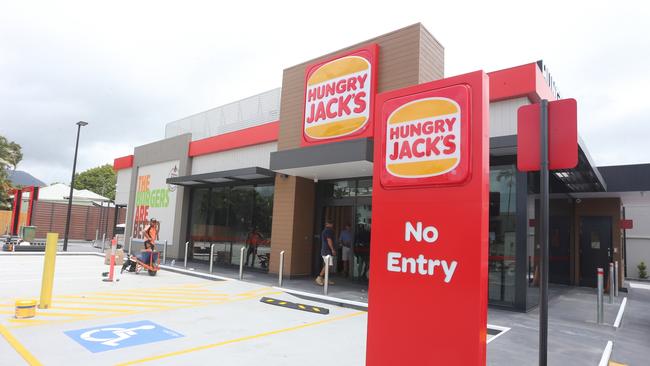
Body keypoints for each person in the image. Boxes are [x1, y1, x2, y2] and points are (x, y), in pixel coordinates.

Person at [315, 221, 336, 286]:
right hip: (327, 251)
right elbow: (329, 240)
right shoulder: (328, 230)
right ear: (330, 224)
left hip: (325, 250)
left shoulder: (325, 230)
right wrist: (332, 249)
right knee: (328, 265)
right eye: (331, 223)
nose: (332, 225)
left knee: (328, 265)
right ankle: (319, 277)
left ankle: (325, 279)